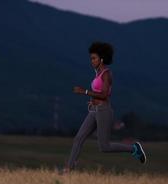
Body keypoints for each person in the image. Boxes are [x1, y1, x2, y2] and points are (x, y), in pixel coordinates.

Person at [60, 41, 146, 174]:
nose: (91, 61)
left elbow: (105, 95)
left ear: (102, 59)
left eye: (94, 58)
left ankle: (134, 148)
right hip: (94, 111)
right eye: (91, 58)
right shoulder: (98, 73)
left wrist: (85, 92)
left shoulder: (106, 74)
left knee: (104, 147)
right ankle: (68, 169)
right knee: (78, 138)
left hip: (104, 111)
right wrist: (92, 100)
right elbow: (99, 93)